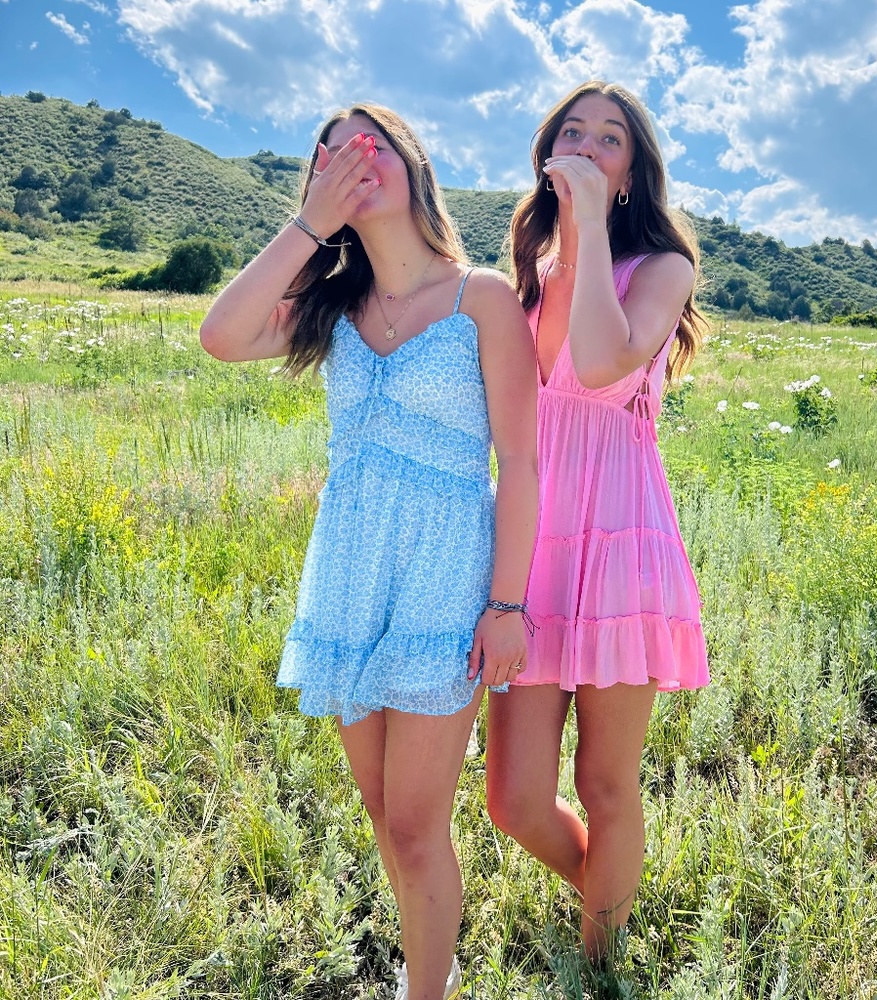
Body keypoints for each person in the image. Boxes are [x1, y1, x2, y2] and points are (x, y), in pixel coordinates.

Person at [200, 103, 538, 1000]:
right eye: (332, 154)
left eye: (371, 144)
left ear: (413, 162)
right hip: (350, 574)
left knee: (419, 824)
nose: (354, 159)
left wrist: (506, 606)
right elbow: (221, 336)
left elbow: (521, 463)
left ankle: (425, 990)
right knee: (387, 814)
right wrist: (310, 224)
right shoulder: (332, 303)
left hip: (443, 577)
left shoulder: (481, 298)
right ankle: (435, 963)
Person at [483, 81, 710, 963]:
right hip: (532, 544)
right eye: (571, 132)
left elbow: (602, 357)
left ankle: (600, 962)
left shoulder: (660, 270)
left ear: (630, 173)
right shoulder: (525, 280)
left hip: (620, 541)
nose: (586, 146)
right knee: (514, 800)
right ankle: (609, 890)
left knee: (607, 784)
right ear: (547, 156)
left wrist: (587, 226)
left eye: (609, 139)